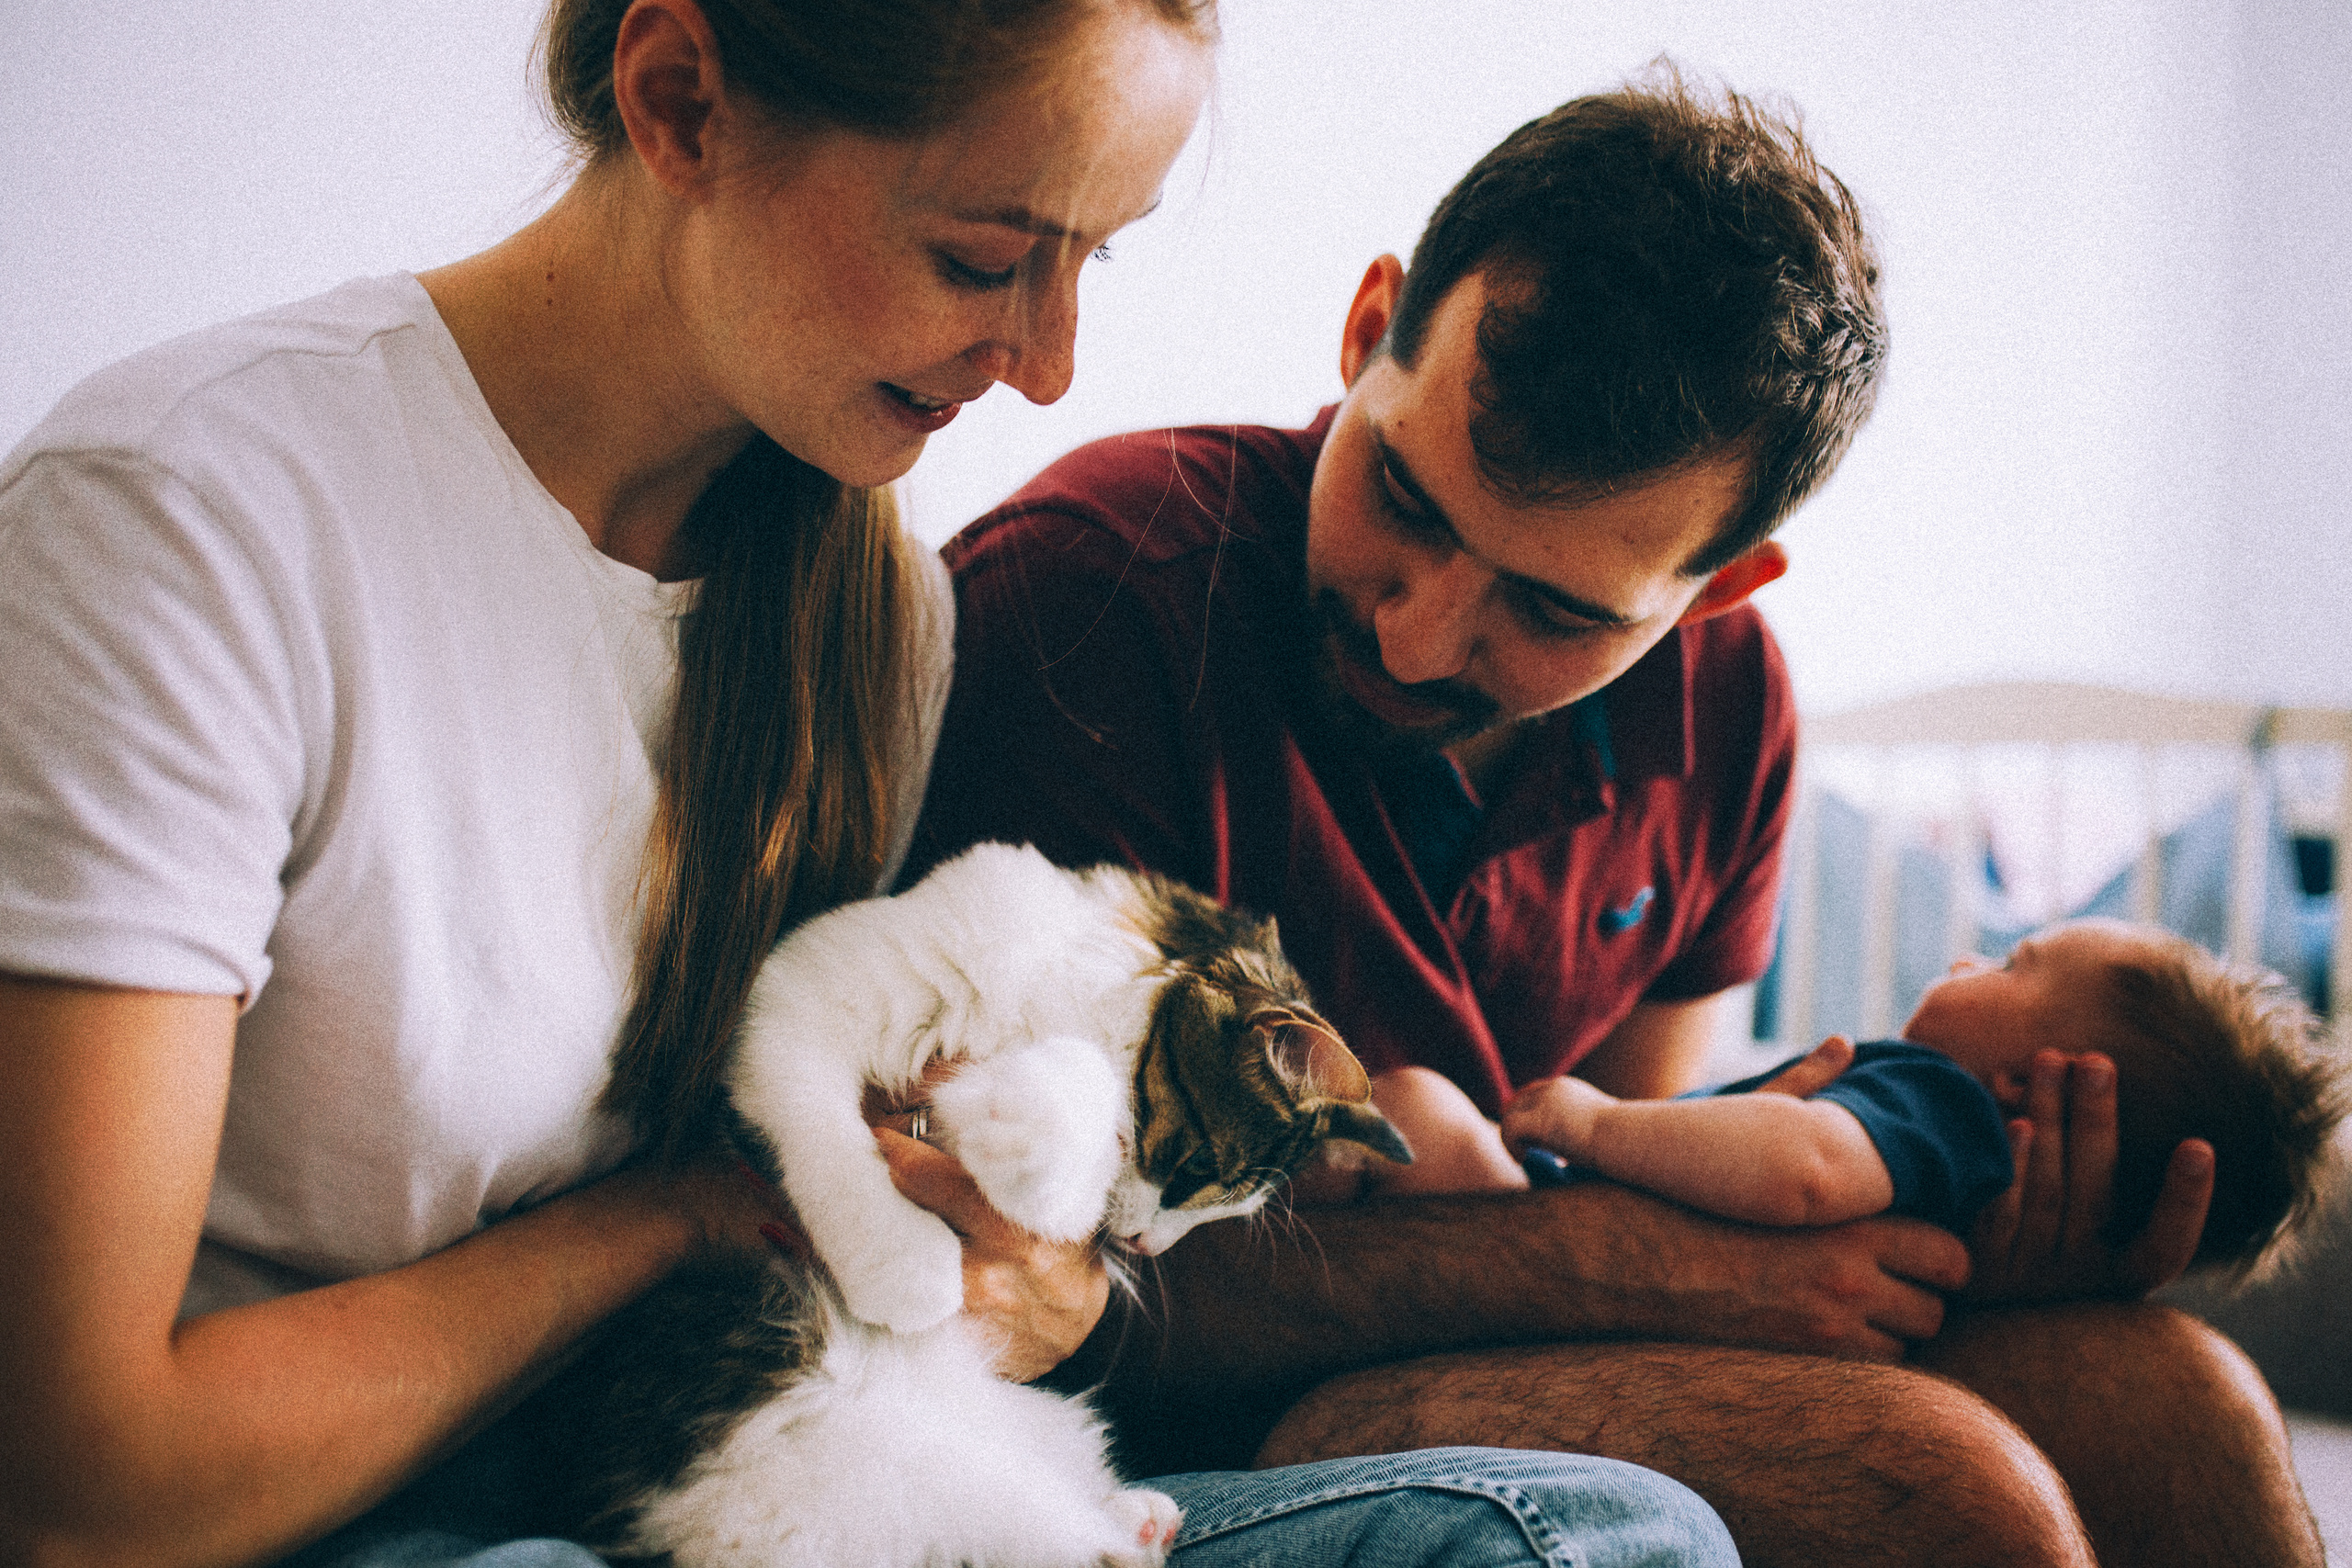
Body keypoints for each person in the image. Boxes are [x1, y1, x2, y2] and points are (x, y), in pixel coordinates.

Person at [0, 5, 1744, 1567]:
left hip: (744, 1460)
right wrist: (668, 1222)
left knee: (1600, 1535)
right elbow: (85, 1485)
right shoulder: (190, 522)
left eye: (1094, 265)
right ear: (681, 98)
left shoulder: (870, 616)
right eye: (990, 255)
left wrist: (1029, 1260)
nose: (1050, 362)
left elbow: (933, 1235)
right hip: (338, 1517)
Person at [903, 70, 2329, 1568]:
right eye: (1406, 495)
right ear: (1368, 323)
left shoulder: (1721, 710)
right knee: (1945, 1493)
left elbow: (1644, 1152)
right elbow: (1003, 1284)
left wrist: (1988, 1249)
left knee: (2181, 1400)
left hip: (1462, 1344)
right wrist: (1643, 1263)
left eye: (1554, 606)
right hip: (1163, 1422)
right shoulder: (1095, 605)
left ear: (1717, 588)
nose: (1415, 636)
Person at [1487, 919, 2350, 1282]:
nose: (1972, 960)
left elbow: (1807, 1169)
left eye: (2016, 964)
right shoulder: (1948, 1165)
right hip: (1575, 1240)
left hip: (1544, 1216)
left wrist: (1596, 1122)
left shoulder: (1939, 1100)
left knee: (1428, 1125)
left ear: (2021, 1082)